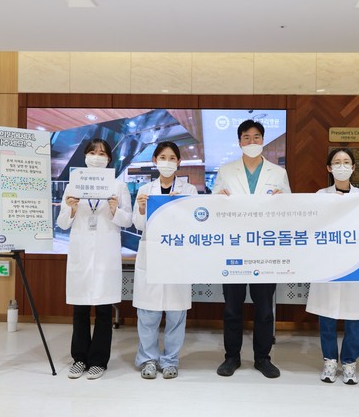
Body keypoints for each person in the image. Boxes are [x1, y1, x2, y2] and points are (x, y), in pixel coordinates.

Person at [213, 119, 291, 379]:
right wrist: (218, 201)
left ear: (263, 140)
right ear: (239, 142)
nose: (252, 141)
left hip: (265, 250)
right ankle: (231, 357)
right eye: (246, 137)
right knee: (232, 308)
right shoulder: (226, 171)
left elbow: (289, 208)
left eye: (256, 137)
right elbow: (213, 206)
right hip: (234, 248)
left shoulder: (277, 173)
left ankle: (262, 358)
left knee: (265, 309)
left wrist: (281, 202)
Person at [57, 138, 133, 380]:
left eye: (102, 153)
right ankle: (79, 358)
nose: (97, 157)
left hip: (105, 253)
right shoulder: (74, 185)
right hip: (81, 251)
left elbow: (128, 220)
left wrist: (115, 209)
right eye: (92, 152)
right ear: (85, 156)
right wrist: (70, 208)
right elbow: (62, 223)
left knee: (103, 308)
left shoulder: (118, 186)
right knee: (80, 308)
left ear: (109, 158)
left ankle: (99, 361)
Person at [305, 148, 359, 385]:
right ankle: (329, 361)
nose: (342, 166)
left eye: (346, 162)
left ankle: (349, 363)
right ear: (329, 168)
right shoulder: (320, 195)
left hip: (355, 265)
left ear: (354, 167)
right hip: (328, 265)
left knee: (353, 318)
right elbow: (313, 227)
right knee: (327, 317)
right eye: (337, 162)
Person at [132, 141, 197, 380]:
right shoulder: (145, 190)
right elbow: (138, 225)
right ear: (155, 160)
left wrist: (182, 208)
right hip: (151, 255)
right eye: (162, 157)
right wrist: (141, 209)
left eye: (172, 158)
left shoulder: (189, 191)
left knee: (176, 313)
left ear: (178, 162)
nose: (167, 162)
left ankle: (170, 360)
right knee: (148, 313)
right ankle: (148, 360)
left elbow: (194, 224)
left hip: (176, 257)